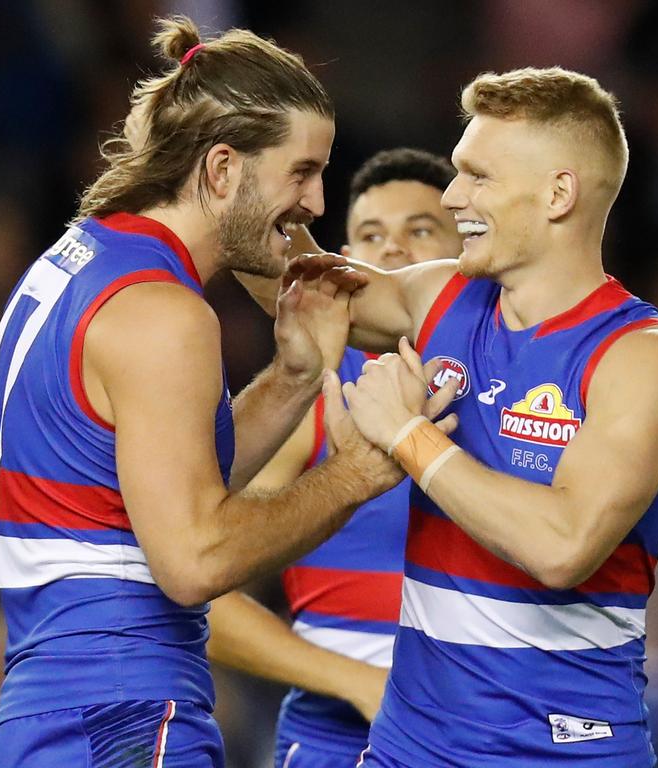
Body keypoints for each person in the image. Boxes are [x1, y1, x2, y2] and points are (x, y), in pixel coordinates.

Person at [0, 18, 448, 768]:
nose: (317, 203)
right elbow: (194, 560)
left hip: (49, 713)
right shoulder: (164, 314)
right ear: (224, 168)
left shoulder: (77, 262)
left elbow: (152, 490)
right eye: (300, 173)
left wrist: (295, 379)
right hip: (127, 717)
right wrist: (358, 473)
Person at [268, 66, 658, 766]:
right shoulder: (442, 297)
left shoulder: (646, 360)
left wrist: (409, 439)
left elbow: (564, 547)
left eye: (478, 176)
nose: (452, 195)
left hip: (562, 751)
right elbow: (303, 289)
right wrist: (228, 173)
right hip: (409, 748)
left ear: (559, 193)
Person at [205, 148, 462, 768]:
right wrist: (353, 679)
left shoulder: (516, 391)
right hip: (336, 736)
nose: (394, 251)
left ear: (465, 250)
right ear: (346, 259)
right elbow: (200, 586)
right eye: (370, 236)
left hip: (486, 725)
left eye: (421, 230)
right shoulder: (316, 394)